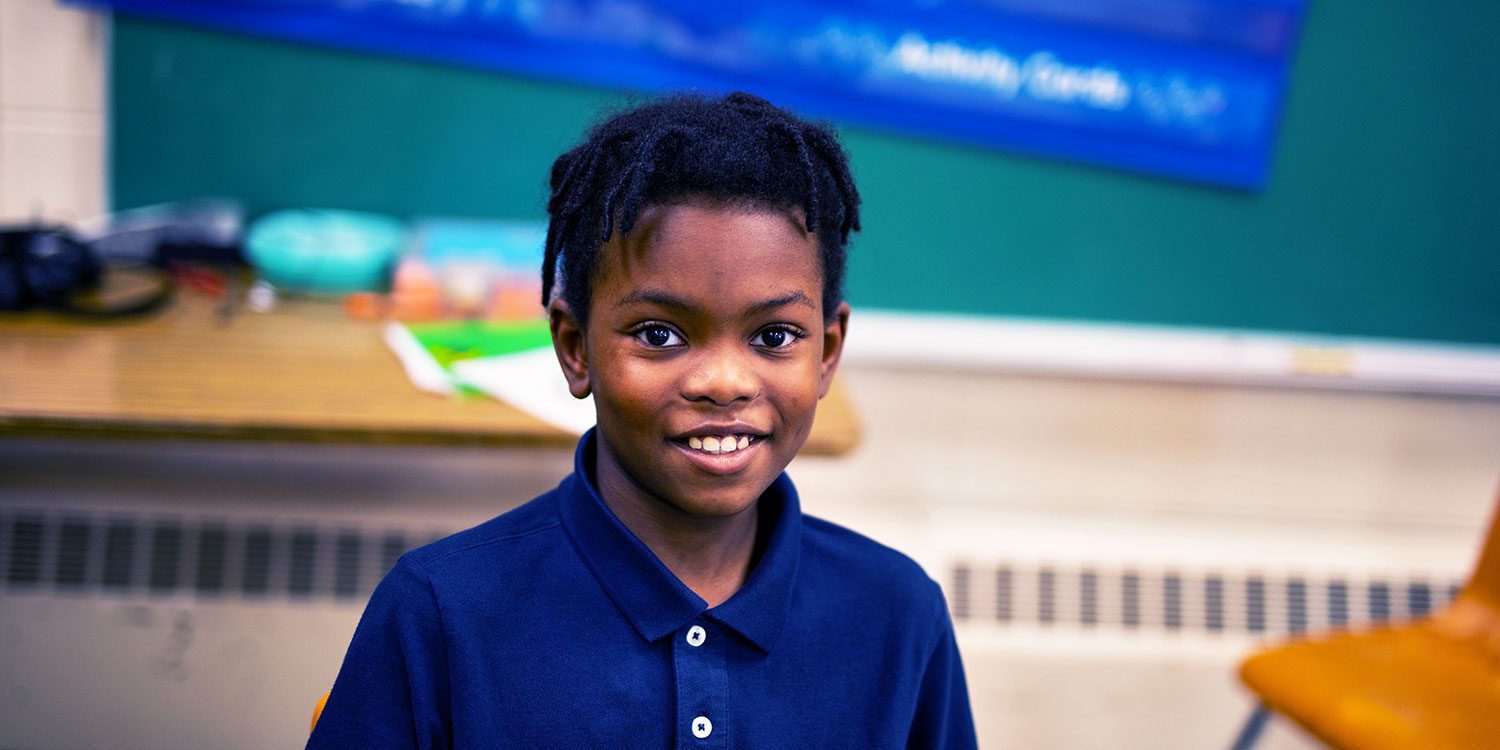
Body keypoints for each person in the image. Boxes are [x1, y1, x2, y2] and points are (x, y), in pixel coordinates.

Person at [308, 91, 977, 749]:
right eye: (659, 335)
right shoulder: (440, 613)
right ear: (575, 348)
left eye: (774, 337)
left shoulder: (897, 616)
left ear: (828, 351)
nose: (724, 382)